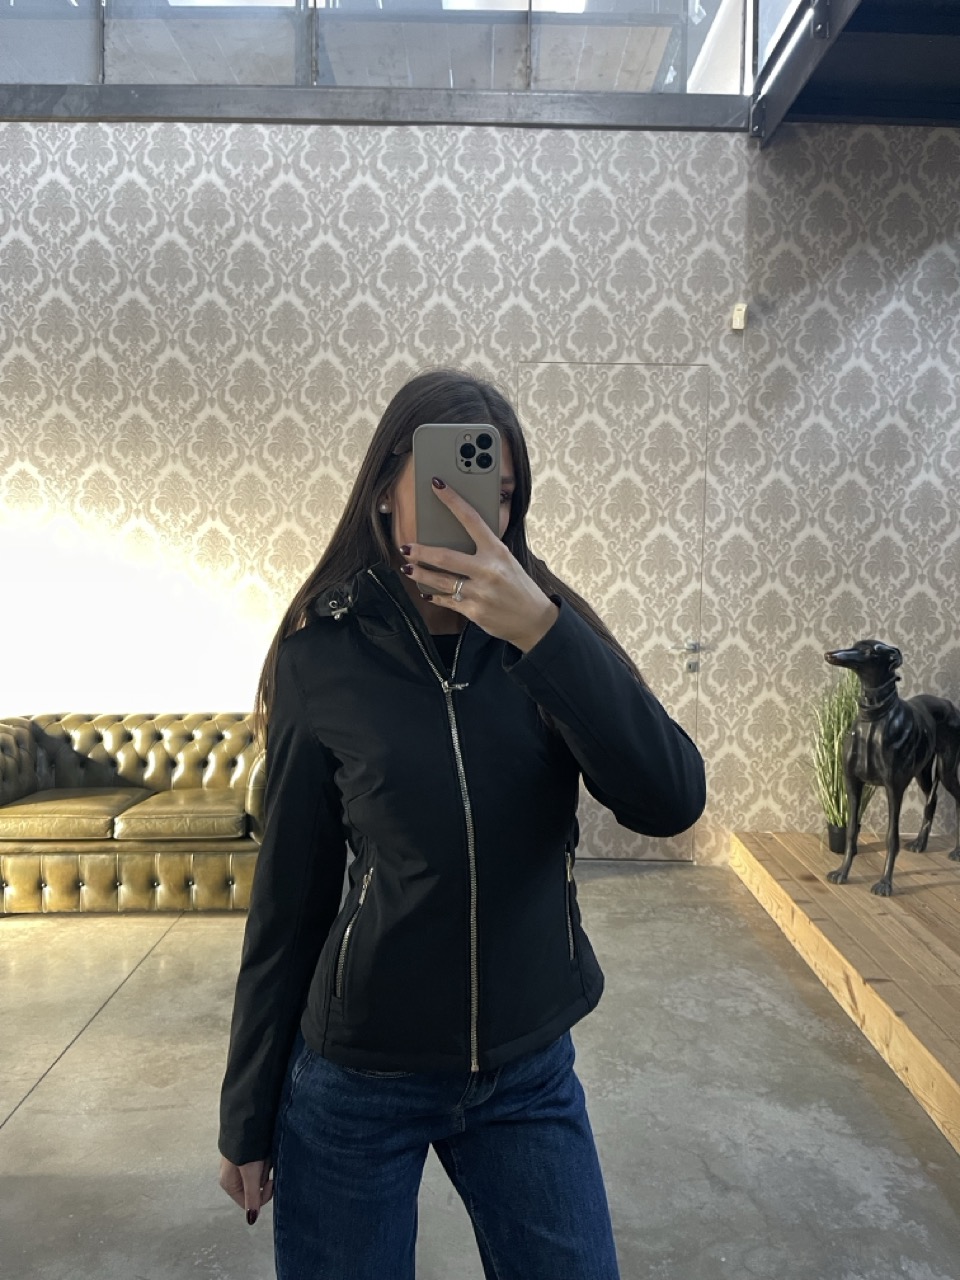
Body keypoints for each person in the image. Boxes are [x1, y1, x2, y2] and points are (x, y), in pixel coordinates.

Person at [217, 368, 706, 1280]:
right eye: (447, 487)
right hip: (359, 1077)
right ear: (384, 492)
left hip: (526, 1073)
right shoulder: (322, 657)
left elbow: (671, 799)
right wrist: (247, 1113)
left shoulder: (548, 636)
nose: (479, 515)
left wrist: (546, 636)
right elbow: (290, 897)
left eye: (499, 496)